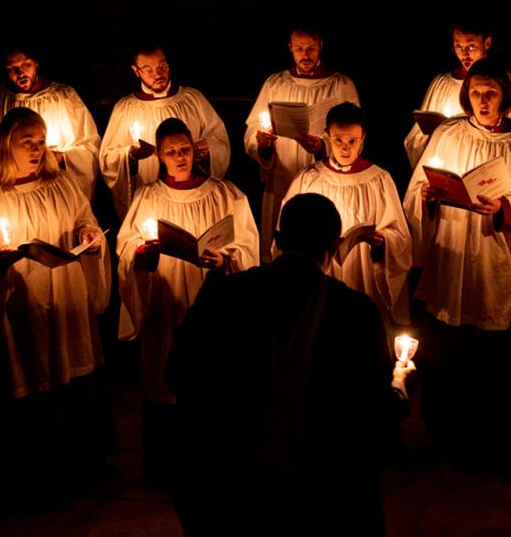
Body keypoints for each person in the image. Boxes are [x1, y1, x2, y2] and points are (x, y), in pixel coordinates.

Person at [167, 193, 412, 536]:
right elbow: (372, 412)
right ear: (337, 244)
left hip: (229, 487)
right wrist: (398, 384)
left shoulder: (224, 294)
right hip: (322, 496)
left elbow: (178, 373)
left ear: (278, 240)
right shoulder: (354, 312)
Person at [0, 107, 114, 506]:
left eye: (41, 142)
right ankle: (30, 485)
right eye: (28, 143)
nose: (38, 150)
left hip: (65, 300)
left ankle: (80, 474)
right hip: (20, 311)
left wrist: (89, 235)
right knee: (30, 387)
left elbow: (83, 220)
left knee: (72, 389)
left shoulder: (61, 185)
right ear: (7, 145)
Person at [403, 59, 511, 458]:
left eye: (490, 93)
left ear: (505, 94)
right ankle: (450, 432)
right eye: (475, 93)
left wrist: (506, 205)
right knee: (454, 343)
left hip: (498, 250)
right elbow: (418, 183)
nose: (482, 100)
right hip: (454, 249)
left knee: (498, 345)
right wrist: (429, 197)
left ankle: (500, 438)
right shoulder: (449, 133)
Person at [116, 117, 259, 482]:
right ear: (159, 156)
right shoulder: (148, 196)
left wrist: (226, 258)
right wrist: (141, 256)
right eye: (170, 152)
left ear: (196, 150)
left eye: (185, 150)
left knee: (213, 381)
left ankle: (213, 467)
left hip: (212, 300)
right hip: (165, 299)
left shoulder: (227, 194)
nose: (179, 157)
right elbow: (126, 247)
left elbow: (248, 246)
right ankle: (165, 467)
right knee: (165, 374)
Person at [281, 102, 411, 329]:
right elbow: (287, 226)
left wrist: (383, 242)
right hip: (320, 271)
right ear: (327, 137)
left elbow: (400, 235)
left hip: (363, 273)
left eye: (353, 141)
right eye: (338, 140)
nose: (345, 148)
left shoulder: (378, 179)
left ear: (363, 139)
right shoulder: (309, 177)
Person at [244, 26, 360, 262]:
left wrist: (322, 148)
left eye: (310, 48)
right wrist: (262, 144)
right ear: (290, 48)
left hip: (322, 175)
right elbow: (253, 130)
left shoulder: (339, 85)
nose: (305, 55)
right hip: (282, 175)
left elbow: (354, 131)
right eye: (299, 49)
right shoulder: (275, 83)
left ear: (321, 46)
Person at [100, 44, 231, 219]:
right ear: (136, 71)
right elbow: (108, 159)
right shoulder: (125, 108)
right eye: (148, 69)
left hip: (192, 197)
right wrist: (129, 156)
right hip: (150, 201)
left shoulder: (193, 99)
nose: (158, 74)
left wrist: (207, 150)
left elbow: (220, 140)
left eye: (162, 66)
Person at [404, 20, 511, 168]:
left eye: (471, 47)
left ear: (487, 43)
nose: (464, 55)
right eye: (458, 47)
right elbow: (416, 140)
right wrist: (441, 134)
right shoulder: (441, 84)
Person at [0, 47, 100, 199]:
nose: (20, 72)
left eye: (25, 64)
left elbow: (89, 145)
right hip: (13, 188)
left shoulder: (64, 97)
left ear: (36, 63)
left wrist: (60, 157)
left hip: (55, 185)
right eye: (11, 69)